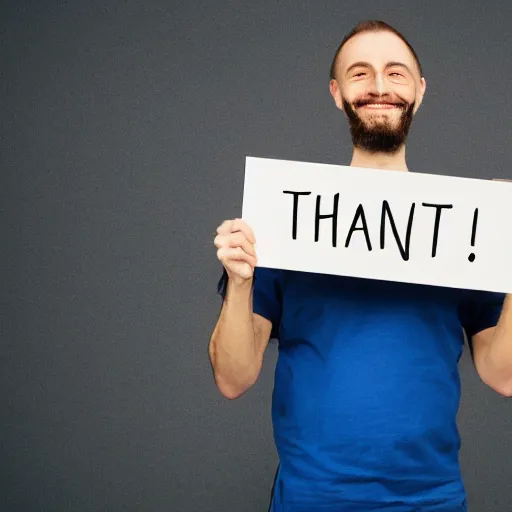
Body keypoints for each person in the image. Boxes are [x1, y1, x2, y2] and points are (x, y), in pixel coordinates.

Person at [209, 20, 512, 512]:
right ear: (336, 92)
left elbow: (504, 375)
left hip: (431, 500)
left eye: (395, 73)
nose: (378, 86)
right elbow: (233, 378)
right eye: (359, 73)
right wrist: (241, 283)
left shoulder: (466, 228)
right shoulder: (284, 219)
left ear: (419, 90)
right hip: (310, 499)